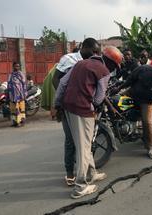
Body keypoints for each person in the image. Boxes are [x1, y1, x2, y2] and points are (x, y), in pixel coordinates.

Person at [59, 46, 123, 199]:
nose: (114, 69)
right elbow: (100, 97)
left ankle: (91, 173)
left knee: (85, 144)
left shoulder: (80, 63)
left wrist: (56, 104)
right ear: (111, 63)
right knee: (83, 147)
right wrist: (93, 106)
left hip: (68, 106)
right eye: (115, 65)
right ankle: (80, 187)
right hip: (82, 110)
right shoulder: (104, 71)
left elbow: (62, 83)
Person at [53, 38, 101, 186]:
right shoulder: (69, 59)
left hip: (84, 106)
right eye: (93, 51)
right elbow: (56, 80)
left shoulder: (93, 63)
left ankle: (90, 172)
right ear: (84, 47)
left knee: (85, 141)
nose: (95, 54)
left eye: (97, 52)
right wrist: (61, 102)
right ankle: (70, 173)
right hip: (69, 105)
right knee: (71, 140)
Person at [7, 62, 27, 127]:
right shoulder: (11, 74)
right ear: (13, 67)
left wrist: (24, 93)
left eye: (18, 66)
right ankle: (15, 122)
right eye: (15, 66)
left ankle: (21, 122)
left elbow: (24, 84)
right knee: (13, 109)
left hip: (20, 95)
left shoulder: (21, 74)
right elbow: (9, 83)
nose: (17, 67)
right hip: (12, 95)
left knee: (20, 109)